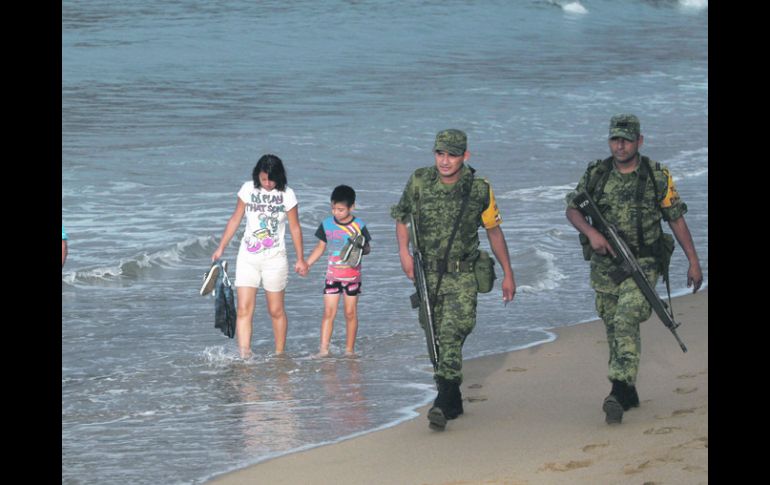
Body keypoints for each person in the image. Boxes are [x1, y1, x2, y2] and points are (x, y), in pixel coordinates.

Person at [565, 114, 703, 425]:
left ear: (639, 141)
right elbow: (573, 208)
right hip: (605, 267)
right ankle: (628, 390)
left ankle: (616, 390)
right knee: (614, 326)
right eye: (615, 139)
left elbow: (676, 218)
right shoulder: (596, 174)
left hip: (643, 264)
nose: (621, 145)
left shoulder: (656, 176)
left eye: (627, 139)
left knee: (627, 316)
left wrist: (694, 261)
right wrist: (592, 234)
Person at [391, 129, 517, 431]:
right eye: (440, 154)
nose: (445, 161)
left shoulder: (479, 189)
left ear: (465, 156)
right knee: (432, 333)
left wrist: (508, 274)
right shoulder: (419, 180)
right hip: (428, 272)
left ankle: (442, 401)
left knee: (452, 332)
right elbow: (402, 216)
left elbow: (493, 231)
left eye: (452, 155)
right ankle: (452, 396)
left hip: (463, 274)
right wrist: (403, 252)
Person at [211, 154, 308, 358]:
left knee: (276, 310)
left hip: (275, 259)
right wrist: (221, 247)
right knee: (245, 309)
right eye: (264, 179)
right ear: (258, 175)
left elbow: (295, 228)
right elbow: (235, 219)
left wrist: (301, 258)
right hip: (247, 257)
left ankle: (280, 355)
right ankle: (245, 355)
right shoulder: (248, 189)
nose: (267, 183)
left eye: (271, 180)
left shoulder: (287, 195)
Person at [306, 185, 372, 357]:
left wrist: (361, 247)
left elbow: (367, 249)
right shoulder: (326, 225)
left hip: (353, 277)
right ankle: (323, 350)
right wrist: (307, 264)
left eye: (341, 209)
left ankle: (349, 350)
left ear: (352, 207)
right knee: (329, 312)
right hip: (332, 276)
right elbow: (320, 247)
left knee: (350, 313)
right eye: (334, 208)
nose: (336, 212)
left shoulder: (359, 225)